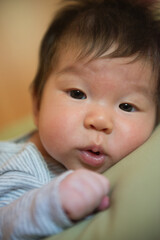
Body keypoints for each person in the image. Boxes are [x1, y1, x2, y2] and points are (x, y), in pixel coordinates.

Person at [0, 0, 160, 239]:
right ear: (37, 104)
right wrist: (52, 204)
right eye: (77, 94)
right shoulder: (20, 166)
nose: (100, 120)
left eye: (127, 106)